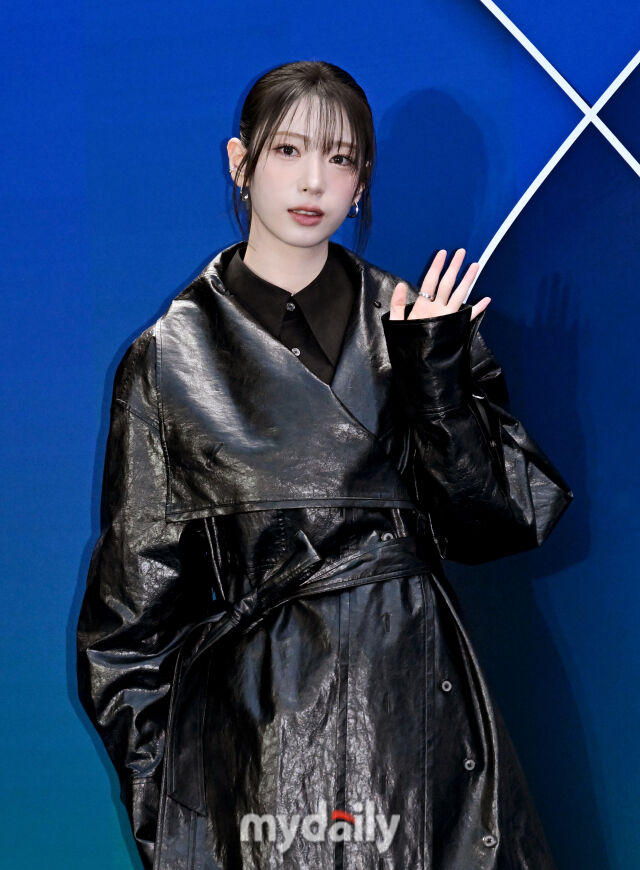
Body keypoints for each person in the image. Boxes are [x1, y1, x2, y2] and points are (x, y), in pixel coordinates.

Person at [76, 60, 572, 870]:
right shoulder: (169, 362)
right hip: (268, 760)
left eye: (340, 158)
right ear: (240, 161)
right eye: (288, 151)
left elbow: (499, 527)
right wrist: (184, 814)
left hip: (427, 735)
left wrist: (437, 379)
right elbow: (126, 632)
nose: (314, 181)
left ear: (363, 178)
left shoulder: (415, 323)